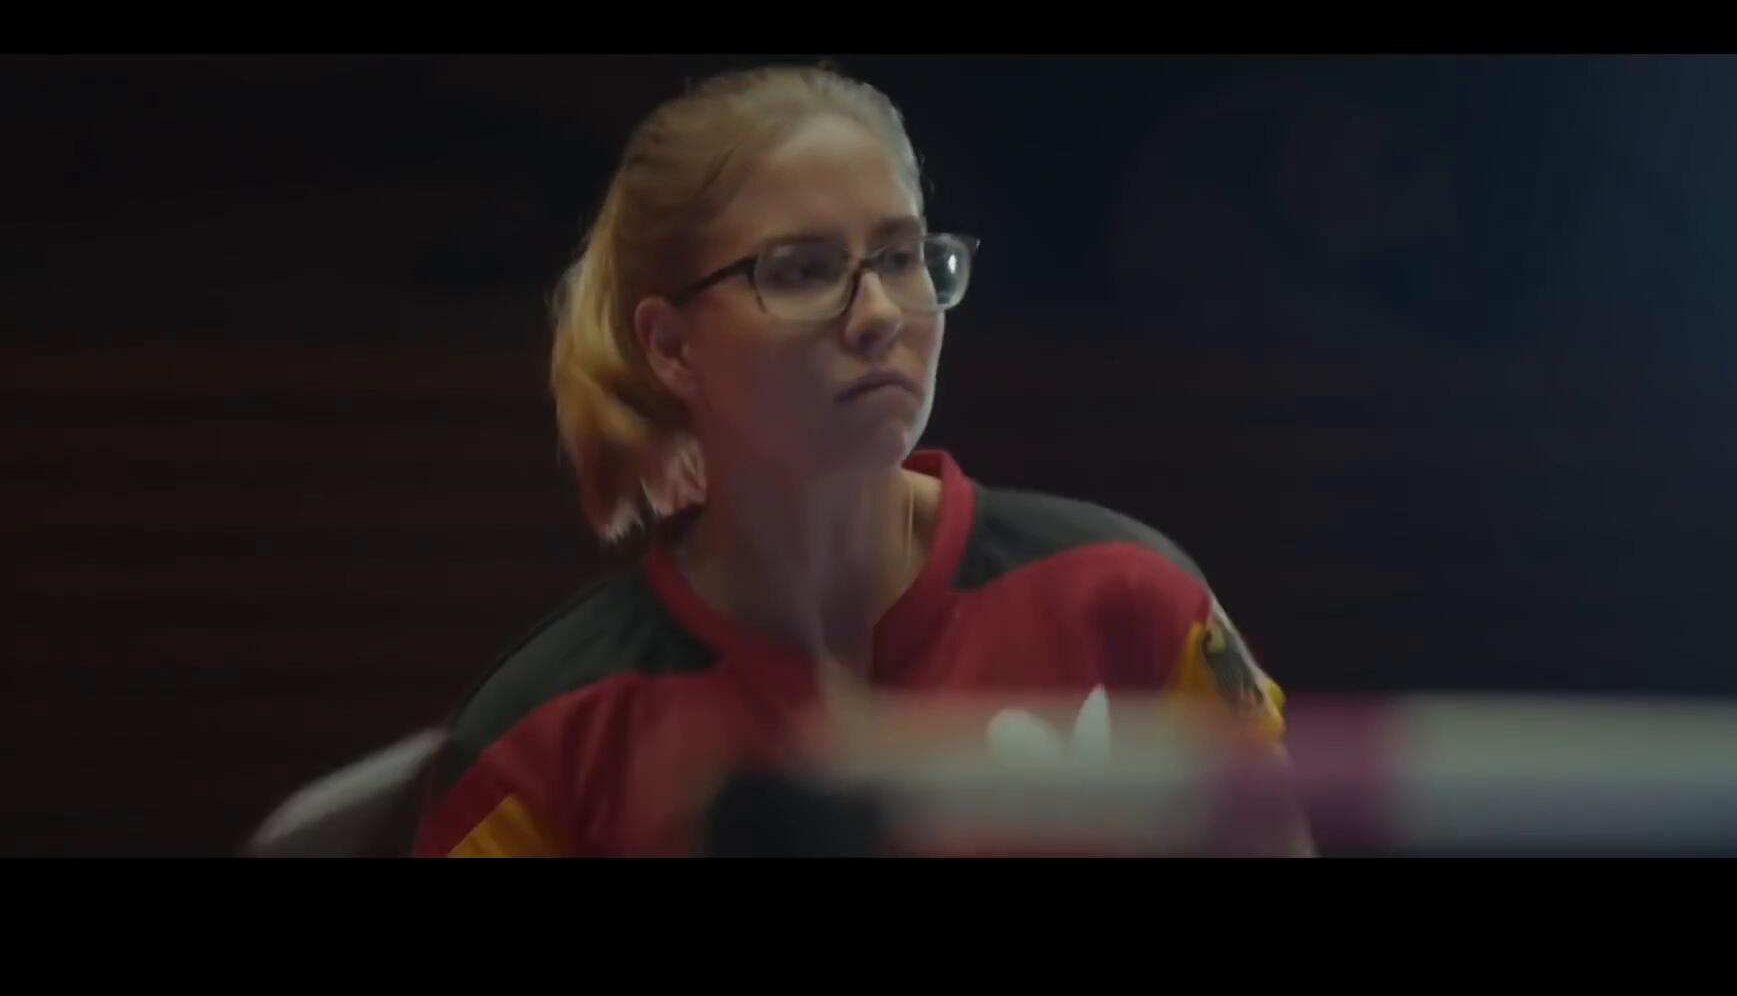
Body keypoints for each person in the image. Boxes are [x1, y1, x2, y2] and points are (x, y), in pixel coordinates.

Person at [413, 63, 1301, 857]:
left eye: (902, 258)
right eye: (803, 270)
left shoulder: (1133, 605)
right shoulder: (543, 741)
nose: (879, 313)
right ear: (672, 346)